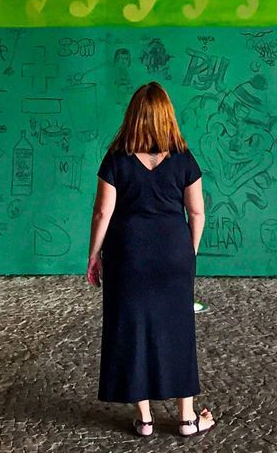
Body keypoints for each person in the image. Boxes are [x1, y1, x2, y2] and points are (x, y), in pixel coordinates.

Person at [87, 82, 215, 438]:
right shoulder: (184, 158)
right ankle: (188, 418)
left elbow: (102, 213)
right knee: (178, 331)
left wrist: (94, 254)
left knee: (133, 330)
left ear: (133, 117)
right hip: (174, 253)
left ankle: (144, 419)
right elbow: (198, 213)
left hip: (128, 256)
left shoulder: (116, 158)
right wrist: (187, 252)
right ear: (167, 117)